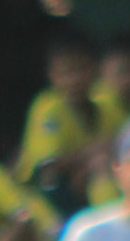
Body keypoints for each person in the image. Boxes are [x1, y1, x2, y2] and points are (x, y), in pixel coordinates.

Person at [14, 30, 121, 217]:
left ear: (95, 69)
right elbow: (49, 167)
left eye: (82, 69)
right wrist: (91, 154)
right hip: (42, 195)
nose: (75, 79)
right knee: (99, 162)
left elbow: (120, 144)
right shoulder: (47, 107)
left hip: (83, 185)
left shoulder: (106, 103)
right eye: (66, 72)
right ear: (52, 75)